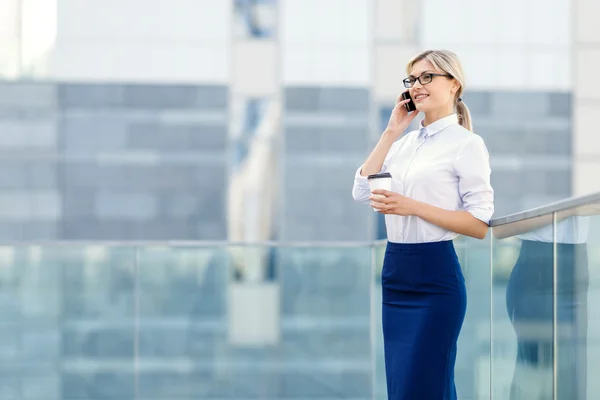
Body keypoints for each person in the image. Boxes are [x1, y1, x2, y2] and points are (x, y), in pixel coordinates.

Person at [351, 49, 494, 399]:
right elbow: (360, 191)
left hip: (435, 276)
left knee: (425, 383)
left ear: (454, 84)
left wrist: (411, 206)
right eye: (412, 79)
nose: (417, 85)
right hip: (396, 272)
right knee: (402, 387)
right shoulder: (403, 144)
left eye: (427, 77)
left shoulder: (467, 145)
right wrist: (391, 130)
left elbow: (478, 223)